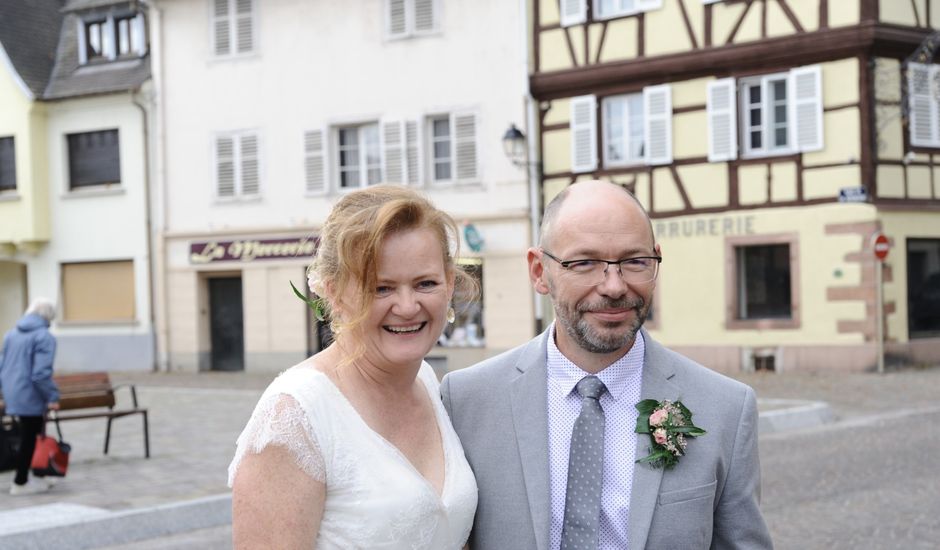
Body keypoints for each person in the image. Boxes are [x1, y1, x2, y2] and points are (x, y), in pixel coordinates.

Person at [441, 180, 773, 549]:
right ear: (539, 271)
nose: (614, 286)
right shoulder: (467, 400)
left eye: (634, 261)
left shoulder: (725, 407)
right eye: (585, 262)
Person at [228, 185, 478, 549]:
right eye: (381, 288)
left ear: (450, 282)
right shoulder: (295, 416)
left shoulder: (424, 380)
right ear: (333, 292)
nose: (407, 306)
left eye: (425, 283)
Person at [0, 298, 61, 496]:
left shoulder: (11, 334)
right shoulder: (44, 337)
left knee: (31, 435)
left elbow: (2, 367)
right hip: (31, 393)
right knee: (30, 437)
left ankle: (38, 475)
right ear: (48, 316)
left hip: (13, 391)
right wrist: (52, 396)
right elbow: (41, 374)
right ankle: (20, 481)